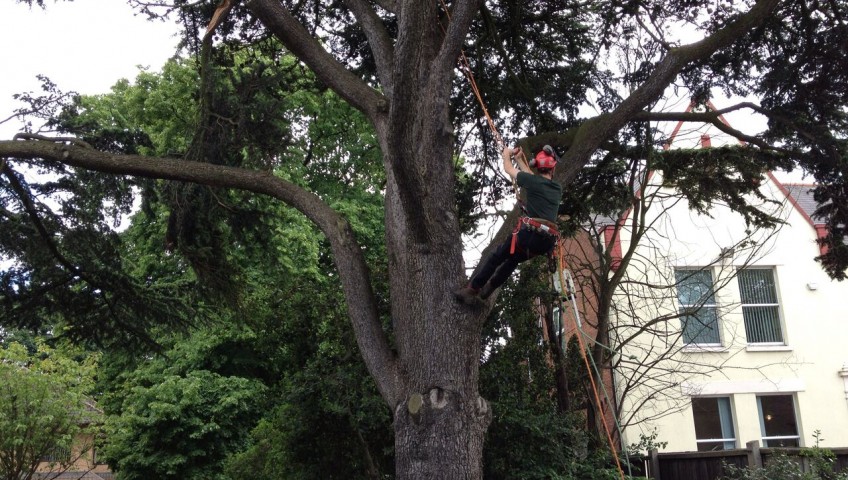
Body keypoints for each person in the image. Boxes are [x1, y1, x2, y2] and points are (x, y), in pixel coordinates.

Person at [454, 144, 563, 304]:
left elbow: (508, 169)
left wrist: (506, 155)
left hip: (529, 236)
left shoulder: (533, 182)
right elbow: (531, 177)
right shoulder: (556, 188)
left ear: (537, 166)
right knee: (513, 260)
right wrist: (519, 159)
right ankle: (490, 287)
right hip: (545, 243)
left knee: (497, 256)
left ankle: (473, 289)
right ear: (552, 169)